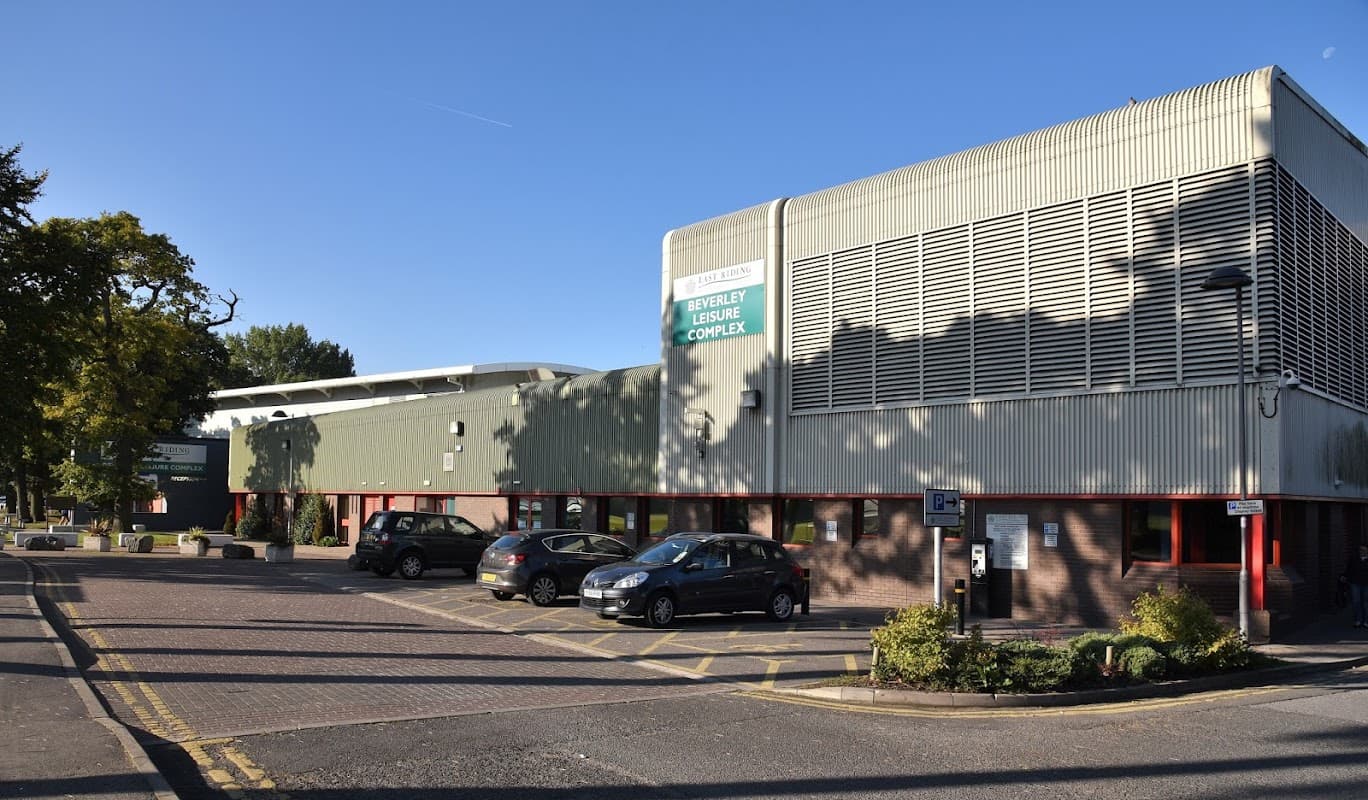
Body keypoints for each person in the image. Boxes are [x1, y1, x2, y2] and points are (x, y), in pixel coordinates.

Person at [1343, 544, 1368, 629]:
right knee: (1356, 602)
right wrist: (1345, 576)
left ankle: (1366, 621)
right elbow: (1348, 569)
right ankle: (1358, 620)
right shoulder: (1354, 559)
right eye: (1361, 550)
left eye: (1364, 550)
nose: (1363, 552)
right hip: (1355, 583)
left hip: (1366, 583)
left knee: (1365, 602)